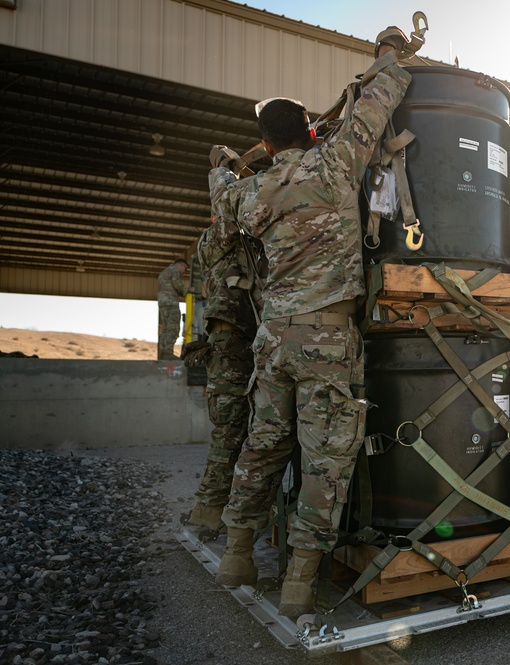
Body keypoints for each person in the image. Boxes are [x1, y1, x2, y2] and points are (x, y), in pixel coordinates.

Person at [209, 34, 412, 619]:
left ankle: (237, 556)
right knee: (326, 459)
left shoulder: (253, 191)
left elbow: (222, 199)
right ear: (313, 132)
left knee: (262, 446)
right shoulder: (335, 161)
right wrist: (390, 50)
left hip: (274, 340)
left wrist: (223, 167)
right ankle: (298, 584)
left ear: (270, 143)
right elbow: (382, 94)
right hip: (327, 338)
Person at [183, 205, 265, 535]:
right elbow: (236, 216)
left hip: (258, 341)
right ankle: (209, 511)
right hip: (230, 346)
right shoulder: (212, 241)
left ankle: (241, 510)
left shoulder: (253, 248)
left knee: (259, 434)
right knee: (229, 432)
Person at [157, 258, 189, 360]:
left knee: (166, 329)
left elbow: (168, 287)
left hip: (163, 303)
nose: (183, 271)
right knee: (173, 328)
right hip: (171, 303)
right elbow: (177, 284)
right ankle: (168, 353)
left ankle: (163, 353)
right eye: (184, 268)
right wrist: (187, 290)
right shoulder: (175, 270)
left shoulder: (164, 272)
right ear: (181, 265)